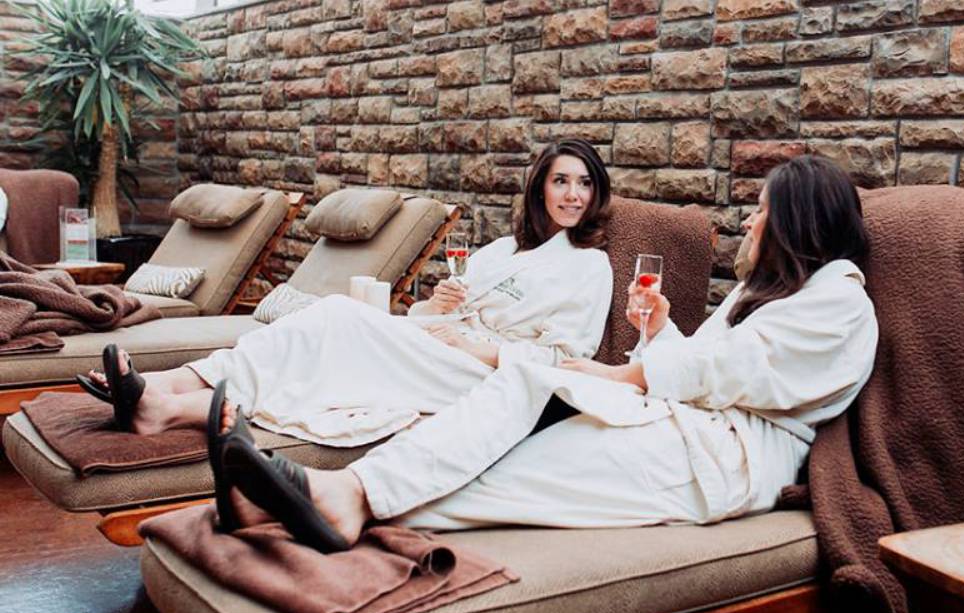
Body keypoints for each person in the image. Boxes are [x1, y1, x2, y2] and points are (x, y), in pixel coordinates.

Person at [211, 155, 879, 552]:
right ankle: (321, 496)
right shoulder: (759, 296)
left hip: (722, 460)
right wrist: (660, 331)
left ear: (798, 222)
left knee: (515, 473)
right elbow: (707, 368)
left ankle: (336, 499)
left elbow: (734, 375)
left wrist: (623, 368)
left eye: (763, 211)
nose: (753, 222)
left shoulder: (841, 300)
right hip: (680, 423)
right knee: (519, 386)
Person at [80, 139, 614, 447]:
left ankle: (168, 398)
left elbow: (568, 358)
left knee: (336, 319)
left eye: (584, 183)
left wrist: (483, 349)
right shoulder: (502, 249)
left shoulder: (590, 267)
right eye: (562, 181)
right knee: (323, 343)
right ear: (540, 187)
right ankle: (164, 394)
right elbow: (429, 310)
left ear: (596, 194)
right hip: (438, 340)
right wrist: (434, 305)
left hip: (485, 370)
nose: (573, 194)